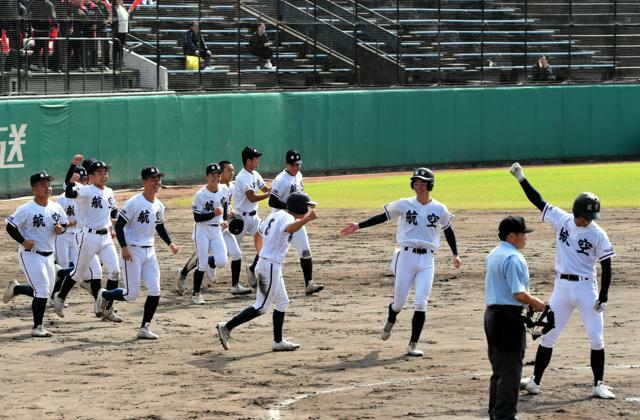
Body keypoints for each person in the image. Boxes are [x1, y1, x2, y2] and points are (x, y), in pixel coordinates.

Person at [509, 162, 616, 399]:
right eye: (585, 216)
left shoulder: (598, 234)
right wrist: (521, 178)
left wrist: (604, 295)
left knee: (596, 337)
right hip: (562, 287)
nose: (588, 220)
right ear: (576, 212)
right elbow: (538, 201)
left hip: (587, 287)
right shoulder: (562, 220)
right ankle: (535, 381)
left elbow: (607, 265)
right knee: (548, 334)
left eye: (591, 216)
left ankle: (598, 383)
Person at [341, 167, 462, 357]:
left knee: (421, 303)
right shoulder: (404, 204)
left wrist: (455, 254)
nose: (419, 186)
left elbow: (448, 229)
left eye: (423, 183)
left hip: (428, 259)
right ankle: (391, 319)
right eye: (416, 183)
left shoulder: (439, 209)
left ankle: (412, 344)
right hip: (406, 257)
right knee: (399, 303)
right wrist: (358, 225)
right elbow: (383, 217)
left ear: (430, 185)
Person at [216, 192, 319, 352]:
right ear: (298, 207)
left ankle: (278, 341)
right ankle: (226, 327)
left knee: (283, 302)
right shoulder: (288, 218)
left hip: (269, 265)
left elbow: (260, 232)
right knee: (261, 307)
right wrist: (306, 220)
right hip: (269, 266)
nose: (307, 209)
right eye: (306, 207)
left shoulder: (276, 215)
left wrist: (264, 252)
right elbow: (290, 229)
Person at [96, 166, 178, 339]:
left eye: (158, 179)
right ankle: (104, 294)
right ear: (145, 181)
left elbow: (160, 226)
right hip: (132, 251)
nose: (157, 182)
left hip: (150, 251)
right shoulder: (134, 203)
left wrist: (170, 243)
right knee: (131, 295)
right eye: (153, 179)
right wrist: (124, 247)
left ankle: (144, 328)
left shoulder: (158, 205)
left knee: (155, 290)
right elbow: (119, 225)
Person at [485, 215, 546, 420]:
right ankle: (505, 415)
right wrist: (539, 304)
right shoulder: (513, 258)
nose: (525, 238)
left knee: (499, 370)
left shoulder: (494, 253)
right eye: (522, 234)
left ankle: (495, 412)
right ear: (512, 236)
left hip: (492, 316)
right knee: (510, 372)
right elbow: (518, 294)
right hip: (508, 319)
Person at [53, 155, 122, 322]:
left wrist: (115, 217)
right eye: (100, 173)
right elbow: (69, 192)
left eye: (106, 172)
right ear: (92, 175)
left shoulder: (109, 191)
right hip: (87, 237)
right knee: (78, 273)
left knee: (114, 271)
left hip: (105, 238)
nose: (104, 175)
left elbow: (113, 208)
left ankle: (107, 308)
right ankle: (60, 297)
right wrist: (72, 168)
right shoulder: (85, 191)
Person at [4, 171, 68, 337]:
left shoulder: (56, 207)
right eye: (42, 185)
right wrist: (22, 240)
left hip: (50, 256)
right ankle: (37, 327)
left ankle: (17, 288)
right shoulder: (26, 209)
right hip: (30, 254)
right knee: (42, 289)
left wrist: (61, 230)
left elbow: (64, 224)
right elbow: (10, 226)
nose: (47, 188)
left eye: (48, 184)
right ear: (34, 189)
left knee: (44, 291)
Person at [176, 160, 252, 296]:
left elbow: (225, 206)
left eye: (232, 170)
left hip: (221, 228)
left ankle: (234, 285)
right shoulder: (203, 193)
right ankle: (183, 273)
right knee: (200, 260)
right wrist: (218, 215)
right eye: (228, 170)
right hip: (205, 229)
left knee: (235, 254)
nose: (231, 173)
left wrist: (229, 213)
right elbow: (201, 216)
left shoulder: (229, 188)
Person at [269, 149, 323, 295]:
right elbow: (272, 201)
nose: (295, 167)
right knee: (271, 249)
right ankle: (253, 268)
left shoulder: (299, 175)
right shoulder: (281, 180)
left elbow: (301, 195)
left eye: (298, 164)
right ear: (286, 164)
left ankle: (309, 284)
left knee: (305, 250)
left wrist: (305, 205)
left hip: (297, 218)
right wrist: (290, 206)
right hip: (281, 220)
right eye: (292, 164)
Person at [189, 163, 229, 305]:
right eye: (212, 175)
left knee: (222, 261)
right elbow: (197, 218)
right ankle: (196, 294)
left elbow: (225, 206)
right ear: (207, 177)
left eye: (218, 174)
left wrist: (224, 219)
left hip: (216, 229)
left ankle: (210, 266)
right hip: (202, 230)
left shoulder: (224, 189)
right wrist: (213, 214)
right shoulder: (200, 195)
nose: (216, 177)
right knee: (202, 263)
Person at [234, 146, 271, 288]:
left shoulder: (255, 174)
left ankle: (252, 268)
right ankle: (210, 264)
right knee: (226, 254)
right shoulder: (242, 177)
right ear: (249, 160)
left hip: (254, 219)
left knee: (266, 241)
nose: (259, 160)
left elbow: (266, 189)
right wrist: (268, 194)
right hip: (240, 220)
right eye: (256, 158)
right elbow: (252, 197)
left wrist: (277, 190)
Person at [111, 0, 133, 71]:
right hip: (117, 31)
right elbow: (112, 19)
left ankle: (120, 64)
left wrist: (129, 29)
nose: (120, 1)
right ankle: (115, 65)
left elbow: (126, 18)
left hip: (124, 30)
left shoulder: (124, 7)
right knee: (116, 48)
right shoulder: (113, 8)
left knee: (121, 48)